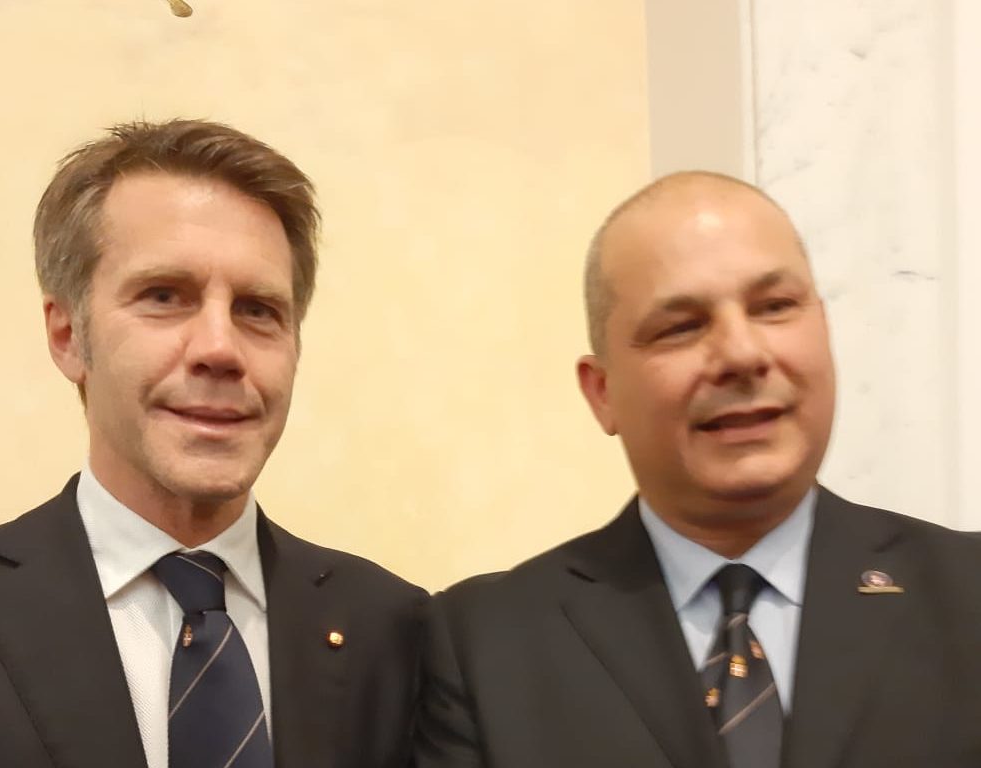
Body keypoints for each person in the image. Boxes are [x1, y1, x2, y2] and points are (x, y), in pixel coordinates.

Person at [413, 171, 981, 768]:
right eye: (681, 327)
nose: (742, 354)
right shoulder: (488, 645)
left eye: (775, 307)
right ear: (602, 392)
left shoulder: (967, 596)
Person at [0, 119, 425, 768]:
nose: (220, 348)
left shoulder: (398, 634)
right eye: (164, 296)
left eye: (258, 310)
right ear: (68, 335)